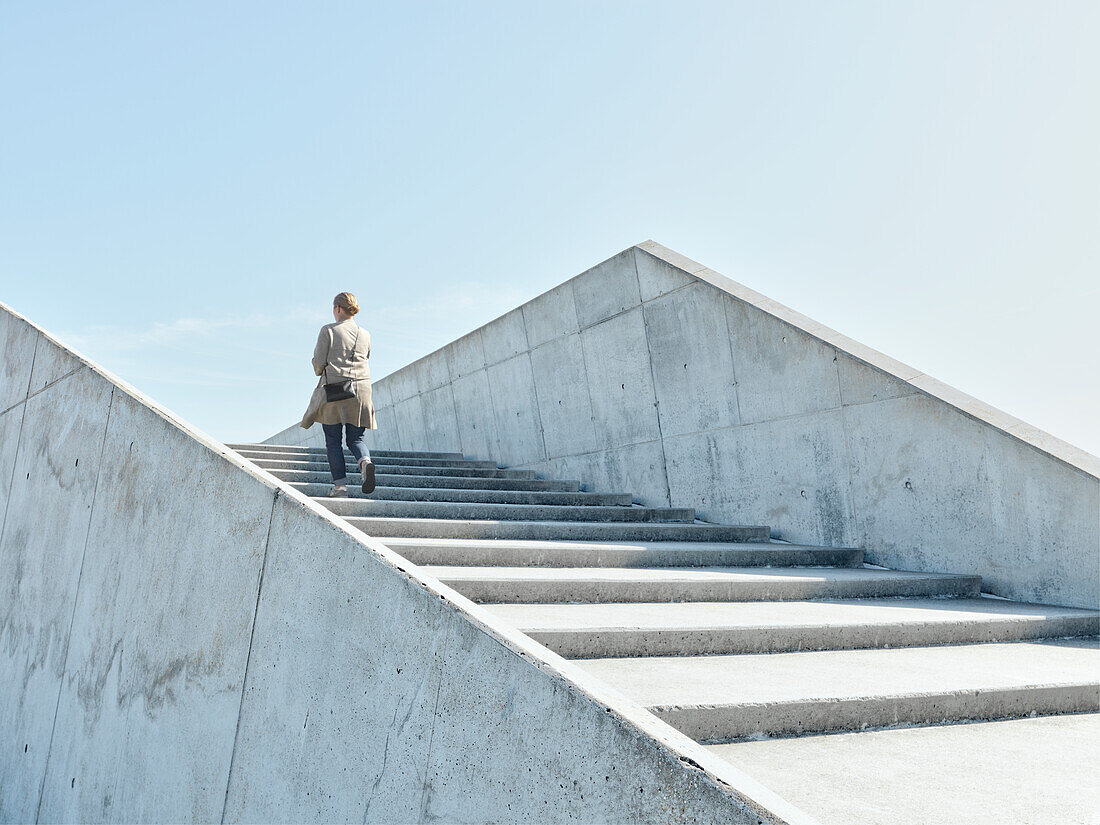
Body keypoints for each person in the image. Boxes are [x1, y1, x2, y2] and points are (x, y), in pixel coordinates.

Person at [300, 292, 377, 496]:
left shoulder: (328, 330)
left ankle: (340, 487)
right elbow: (366, 357)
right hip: (361, 391)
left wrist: (319, 368)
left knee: (333, 440)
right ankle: (365, 462)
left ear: (338, 309)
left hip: (335, 390)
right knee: (356, 439)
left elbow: (319, 364)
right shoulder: (365, 334)